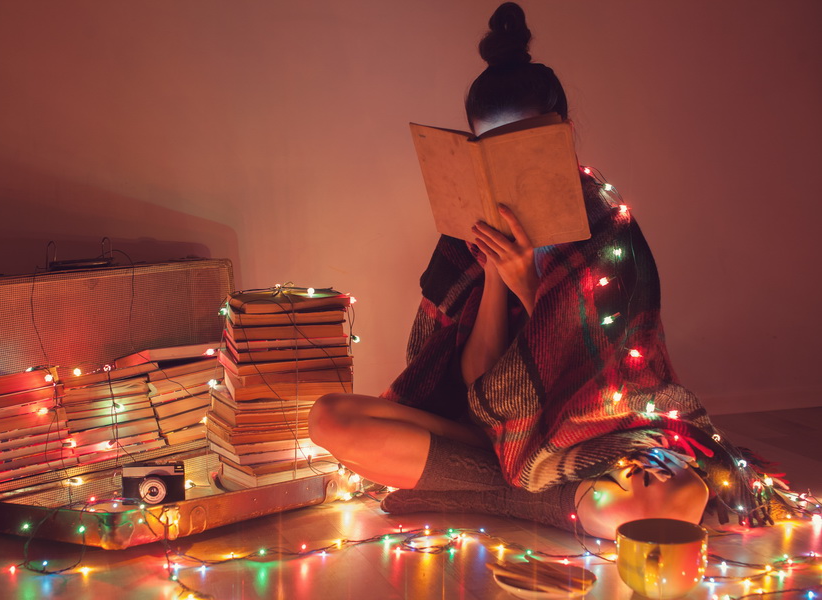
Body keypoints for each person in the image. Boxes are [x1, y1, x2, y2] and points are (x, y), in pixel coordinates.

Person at [309, 2, 779, 539]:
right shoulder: (466, 234)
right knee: (330, 419)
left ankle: (506, 495)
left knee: (669, 500)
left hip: (591, 431)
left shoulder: (604, 225)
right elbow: (470, 385)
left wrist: (533, 290)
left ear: (564, 131)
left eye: (527, 143)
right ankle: (537, 497)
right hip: (492, 429)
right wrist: (493, 277)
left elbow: (607, 379)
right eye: (494, 148)